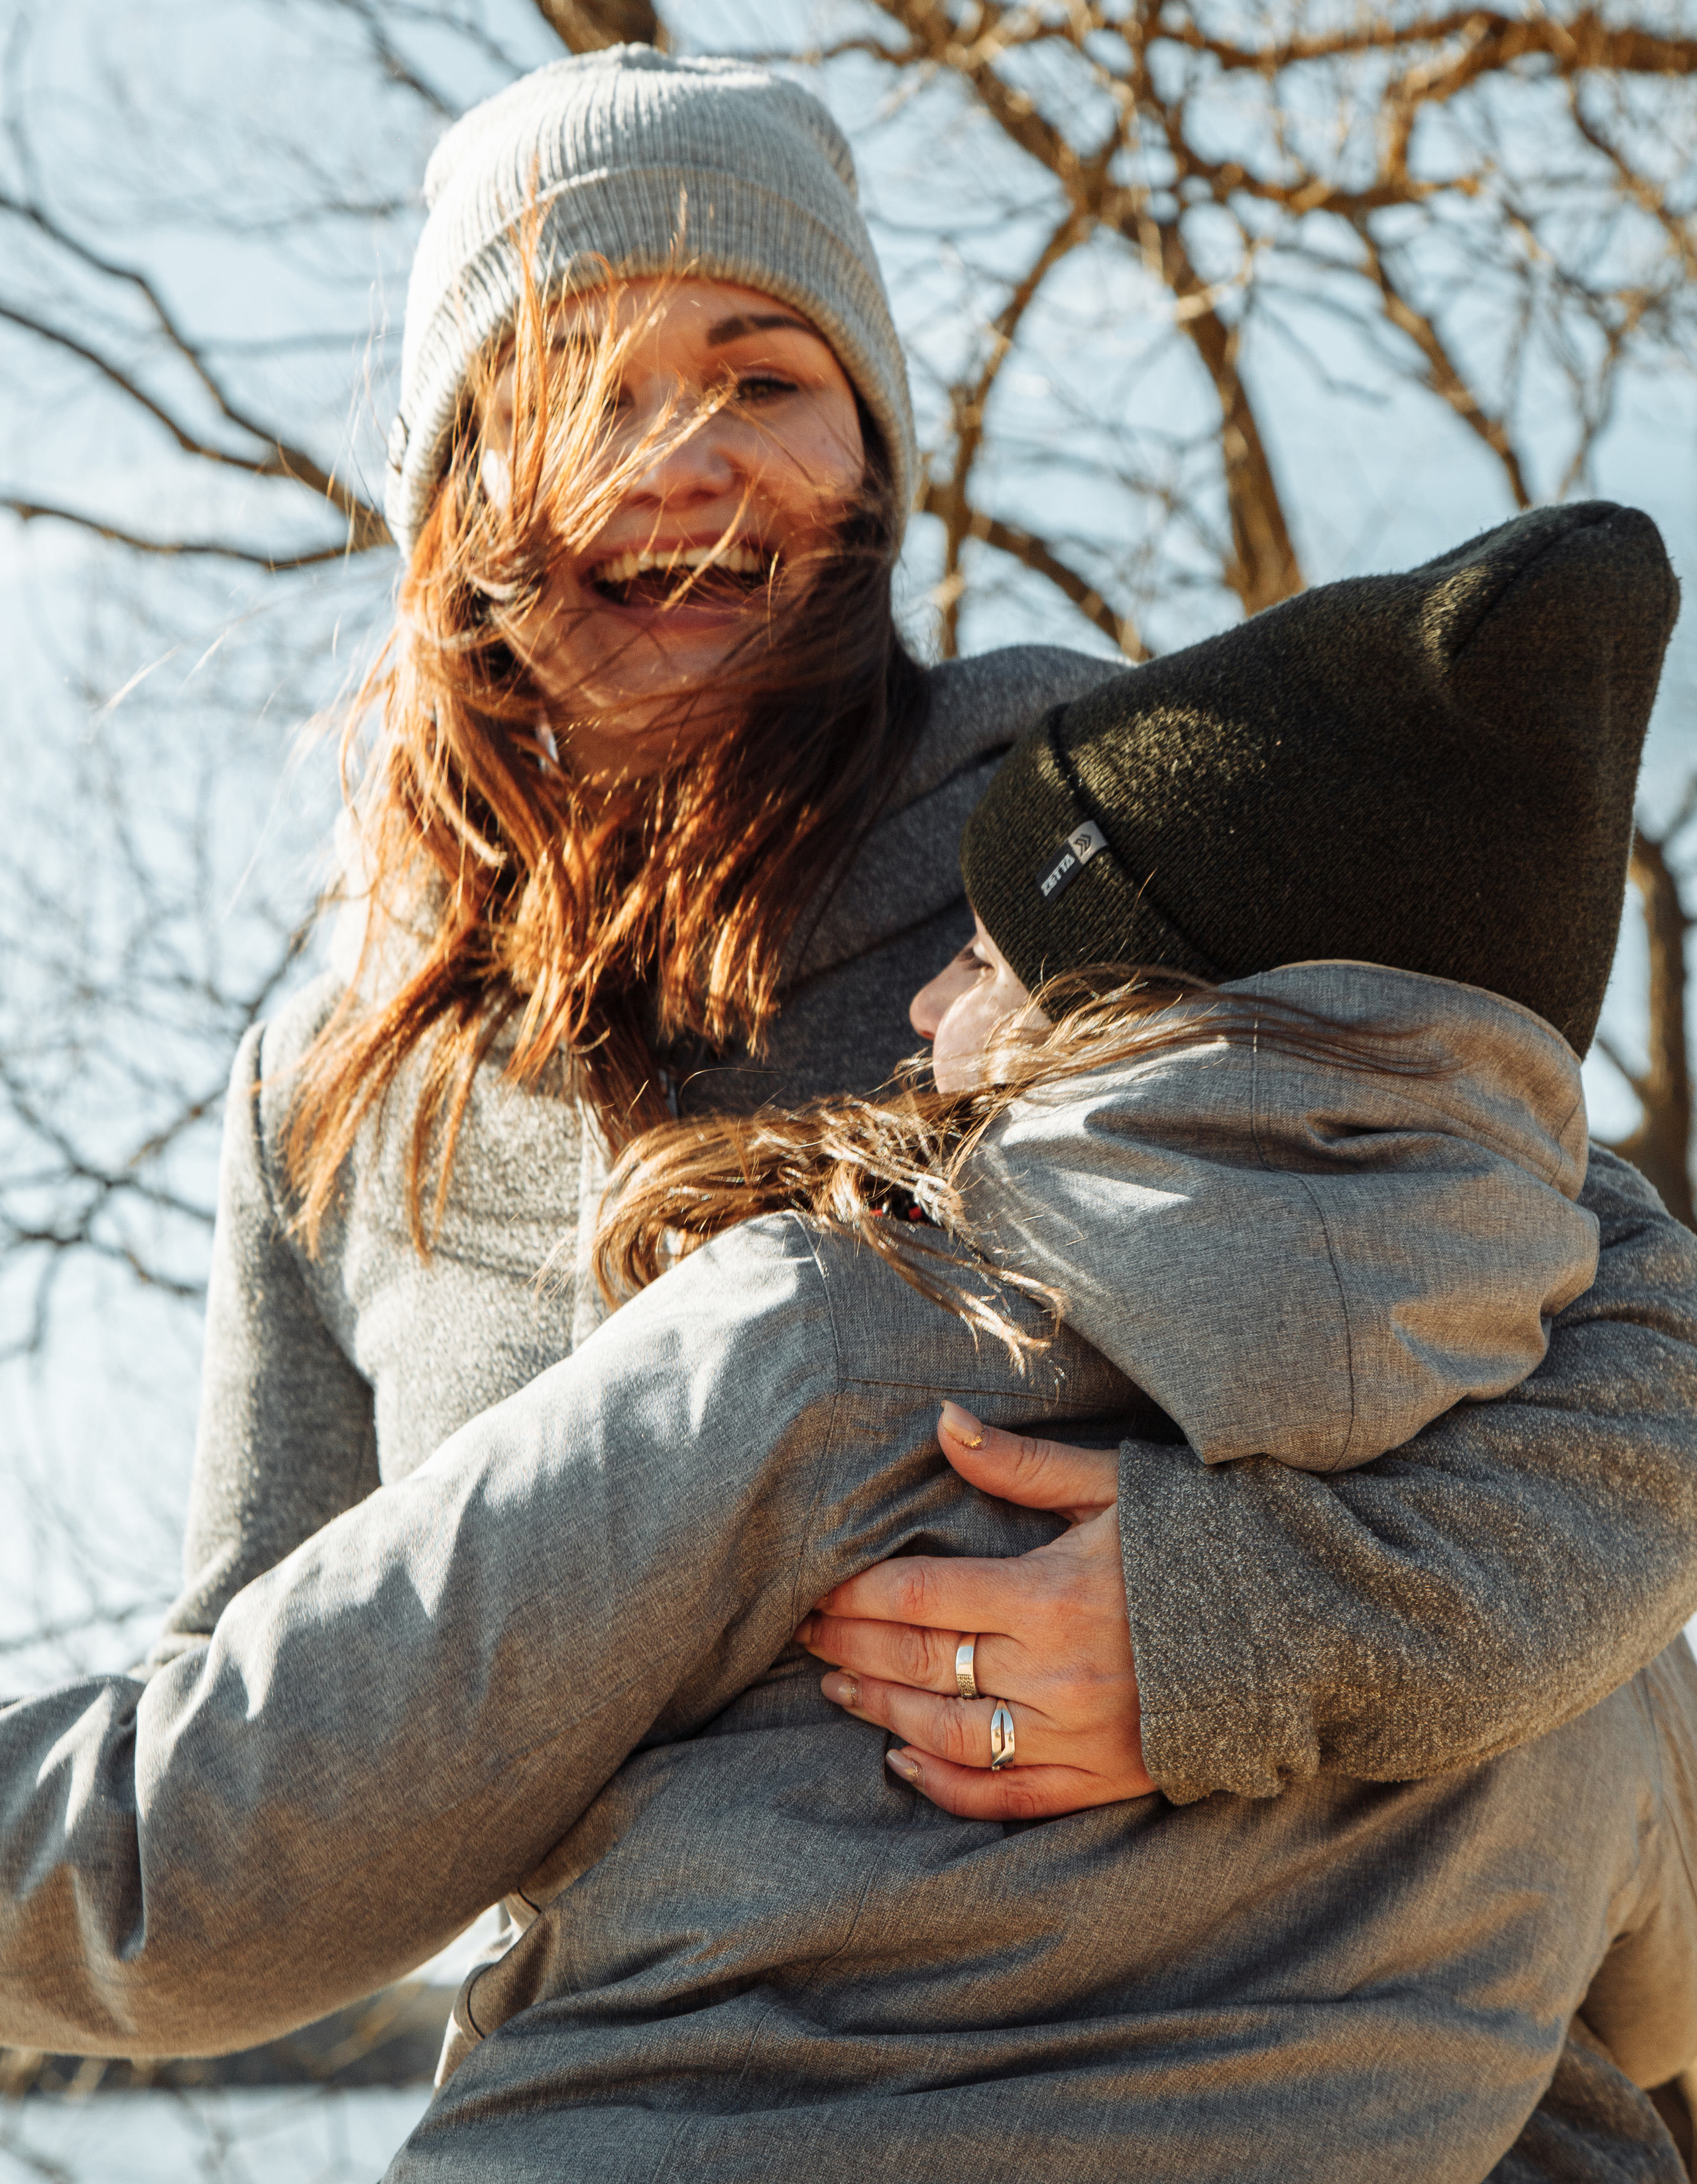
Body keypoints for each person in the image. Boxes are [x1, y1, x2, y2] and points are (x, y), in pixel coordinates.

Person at [0, 502, 1693, 2184]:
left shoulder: (827, 1351)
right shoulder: (1565, 1565)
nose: (919, 1015)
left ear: (1123, 1010)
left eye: (978, 958)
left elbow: (210, 1856)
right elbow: (1665, 1995)